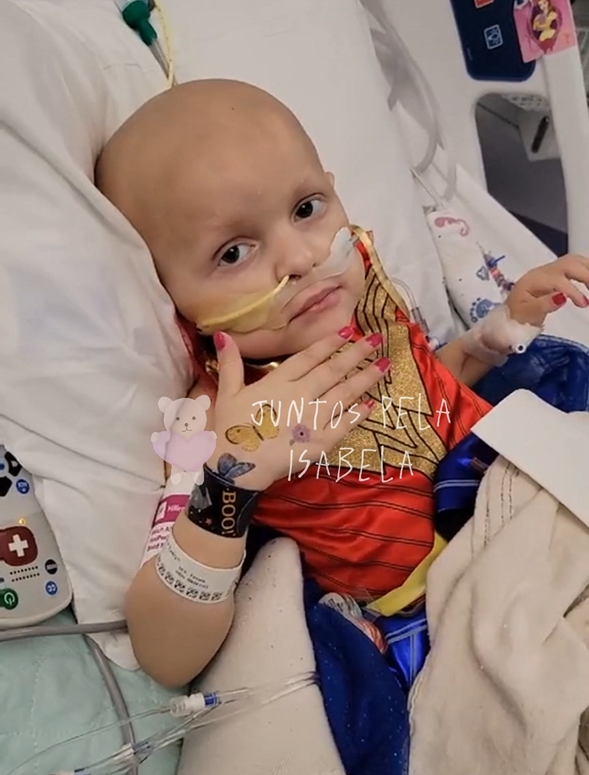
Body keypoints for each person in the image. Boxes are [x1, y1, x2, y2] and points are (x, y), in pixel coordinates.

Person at [95, 78, 589, 688]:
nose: (302, 258)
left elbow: (426, 397)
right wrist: (232, 480)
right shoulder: (219, 421)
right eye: (234, 253)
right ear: (167, 292)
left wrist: (501, 330)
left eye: (306, 209)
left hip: (530, 499)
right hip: (445, 604)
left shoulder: (367, 308)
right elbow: (167, 656)